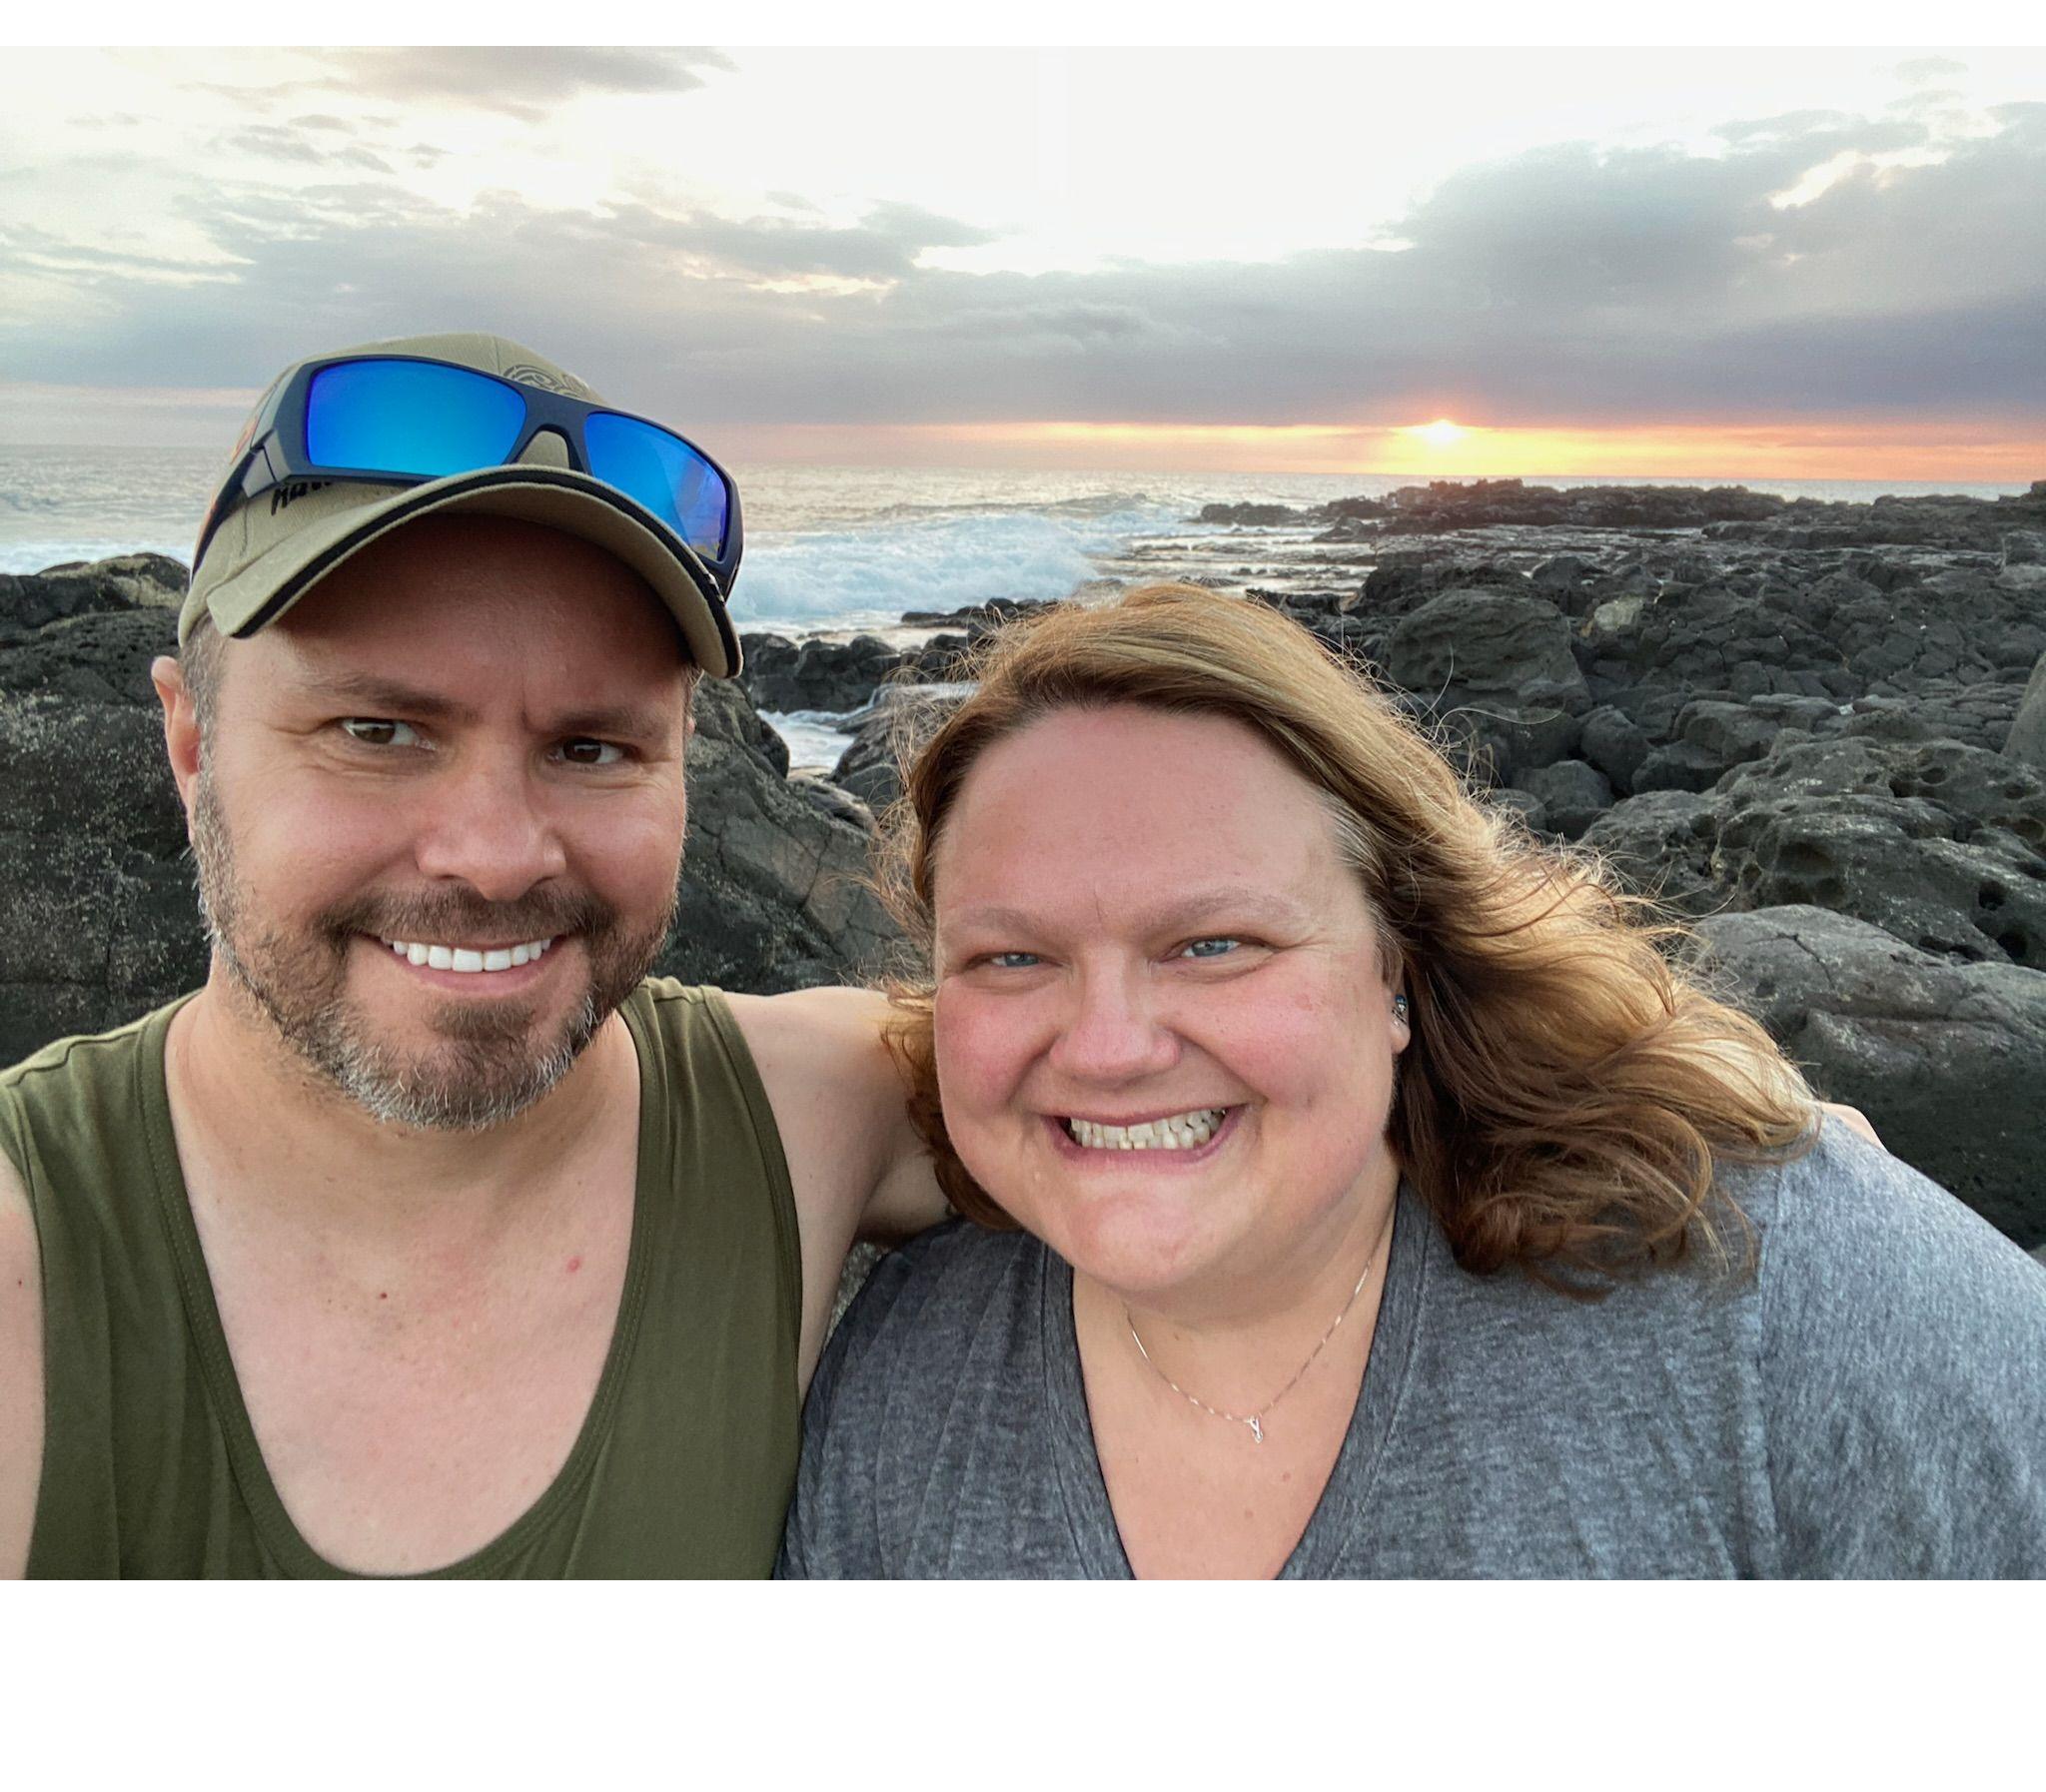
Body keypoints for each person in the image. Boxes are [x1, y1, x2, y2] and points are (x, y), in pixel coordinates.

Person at [780, 583, 2046, 1578]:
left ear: (1396, 965)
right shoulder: (907, 1388)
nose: (1107, 1044)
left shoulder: (1767, 1290)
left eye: (1214, 943)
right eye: (1010, 956)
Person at [0, 333, 942, 1578]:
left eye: (593, 746)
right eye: (377, 728)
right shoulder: (35, 1242)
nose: (497, 856)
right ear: (189, 743)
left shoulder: (811, 1112)